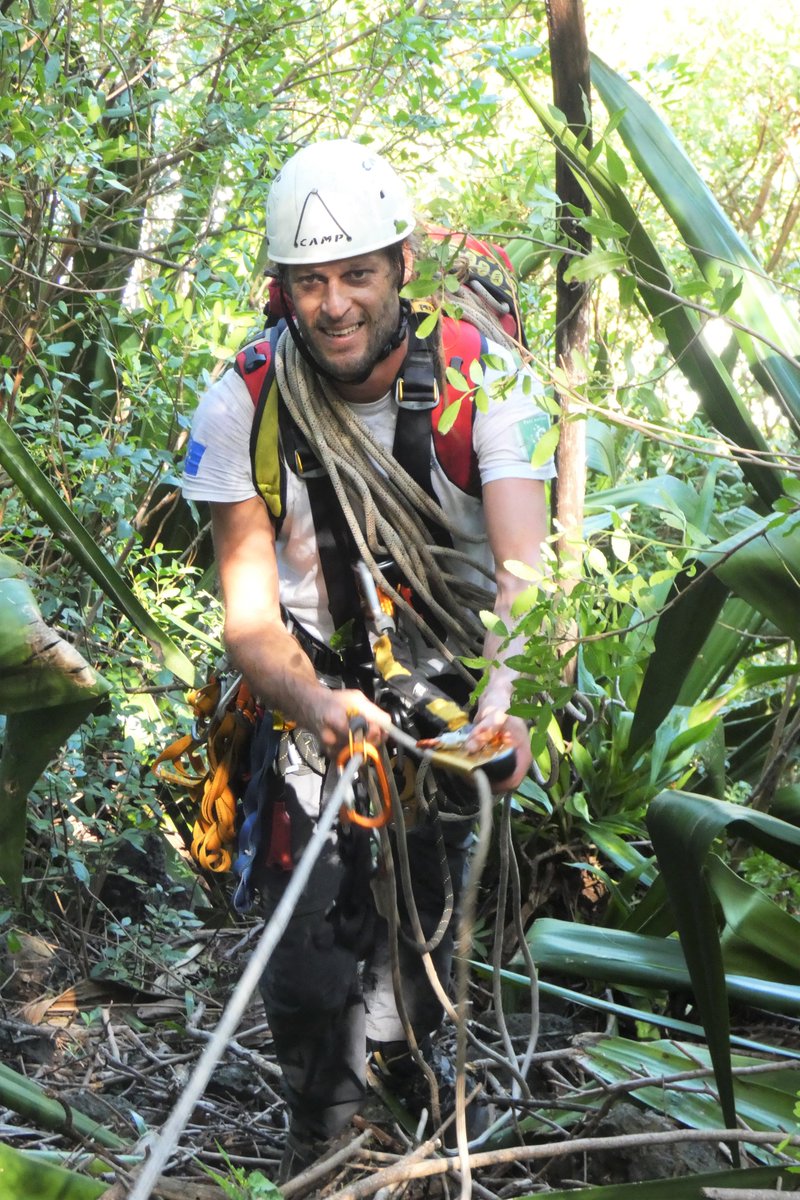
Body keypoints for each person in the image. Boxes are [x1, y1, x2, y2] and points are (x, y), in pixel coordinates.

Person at [181, 138, 554, 1177]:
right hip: (318, 704)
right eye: (310, 281)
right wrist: (316, 704)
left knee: (425, 943)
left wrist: (509, 707)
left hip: (456, 706)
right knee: (306, 970)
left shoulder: (485, 390)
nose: (335, 303)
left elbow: (528, 580)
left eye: (356, 274)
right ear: (282, 288)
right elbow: (250, 622)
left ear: (400, 267)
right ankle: (320, 1152)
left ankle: (408, 1088)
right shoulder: (243, 404)